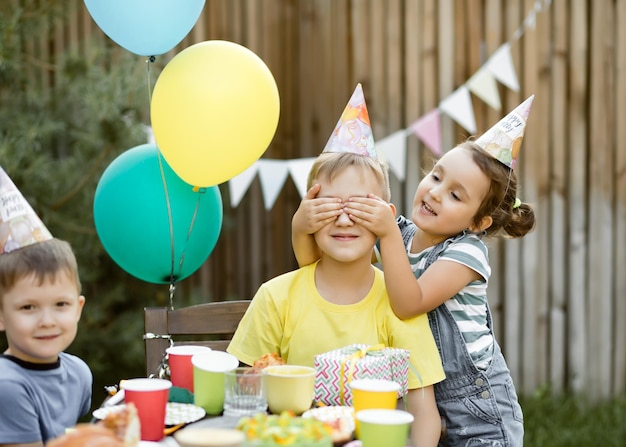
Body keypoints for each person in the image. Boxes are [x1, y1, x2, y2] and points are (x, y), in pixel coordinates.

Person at [292, 96, 536, 446]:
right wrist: (301, 226)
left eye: (455, 195)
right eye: (436, 176)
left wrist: (387, 232)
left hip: (479, 411)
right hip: (429, 399)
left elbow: (409, 302)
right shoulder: (401, 235)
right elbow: (317, 264)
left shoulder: (467, 253)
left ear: (478, 222)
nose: (435, 193)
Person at [228, 84, 446, 447]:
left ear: (387, 218)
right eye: (330, 207)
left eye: (361, 208)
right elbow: (246, 398)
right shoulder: (276, 297)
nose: (345, 220)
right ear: (308, 213)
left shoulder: (398, 304)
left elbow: (424, 413)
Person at [0, 166, 92, 447]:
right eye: (28, 307)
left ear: (78, 308)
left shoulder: (78, 373)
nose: (47, 320)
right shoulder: (8, 387)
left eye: (61, 304)